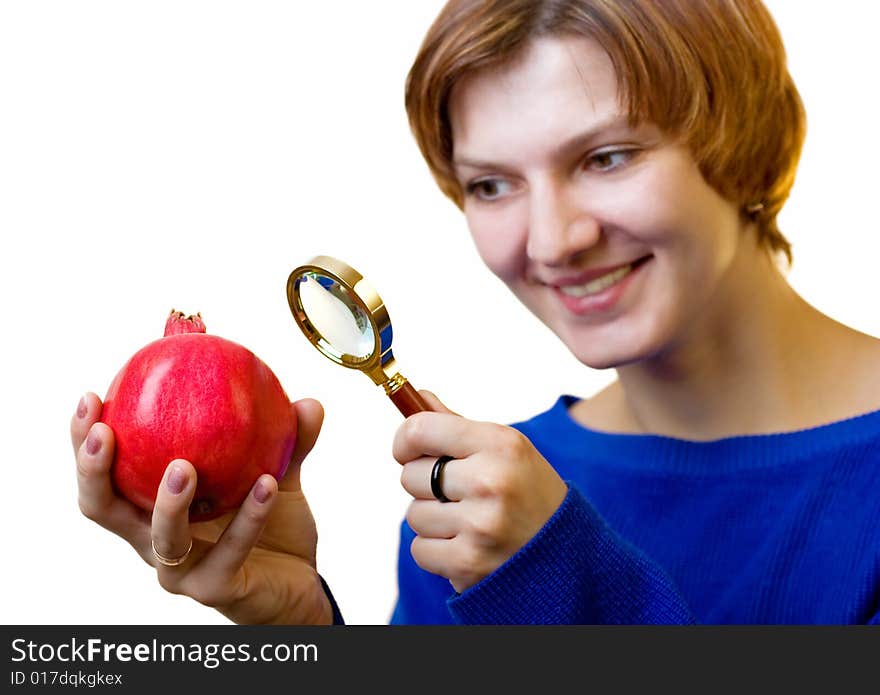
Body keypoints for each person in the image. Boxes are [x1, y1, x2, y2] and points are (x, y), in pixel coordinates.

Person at [71, 0, 880, 624]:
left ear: (741, 135)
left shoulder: (517, 529)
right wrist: (301, 628)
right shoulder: (475, 513)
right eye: (492, 184)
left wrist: (560, 579)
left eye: (607, 157)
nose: (555, 240)